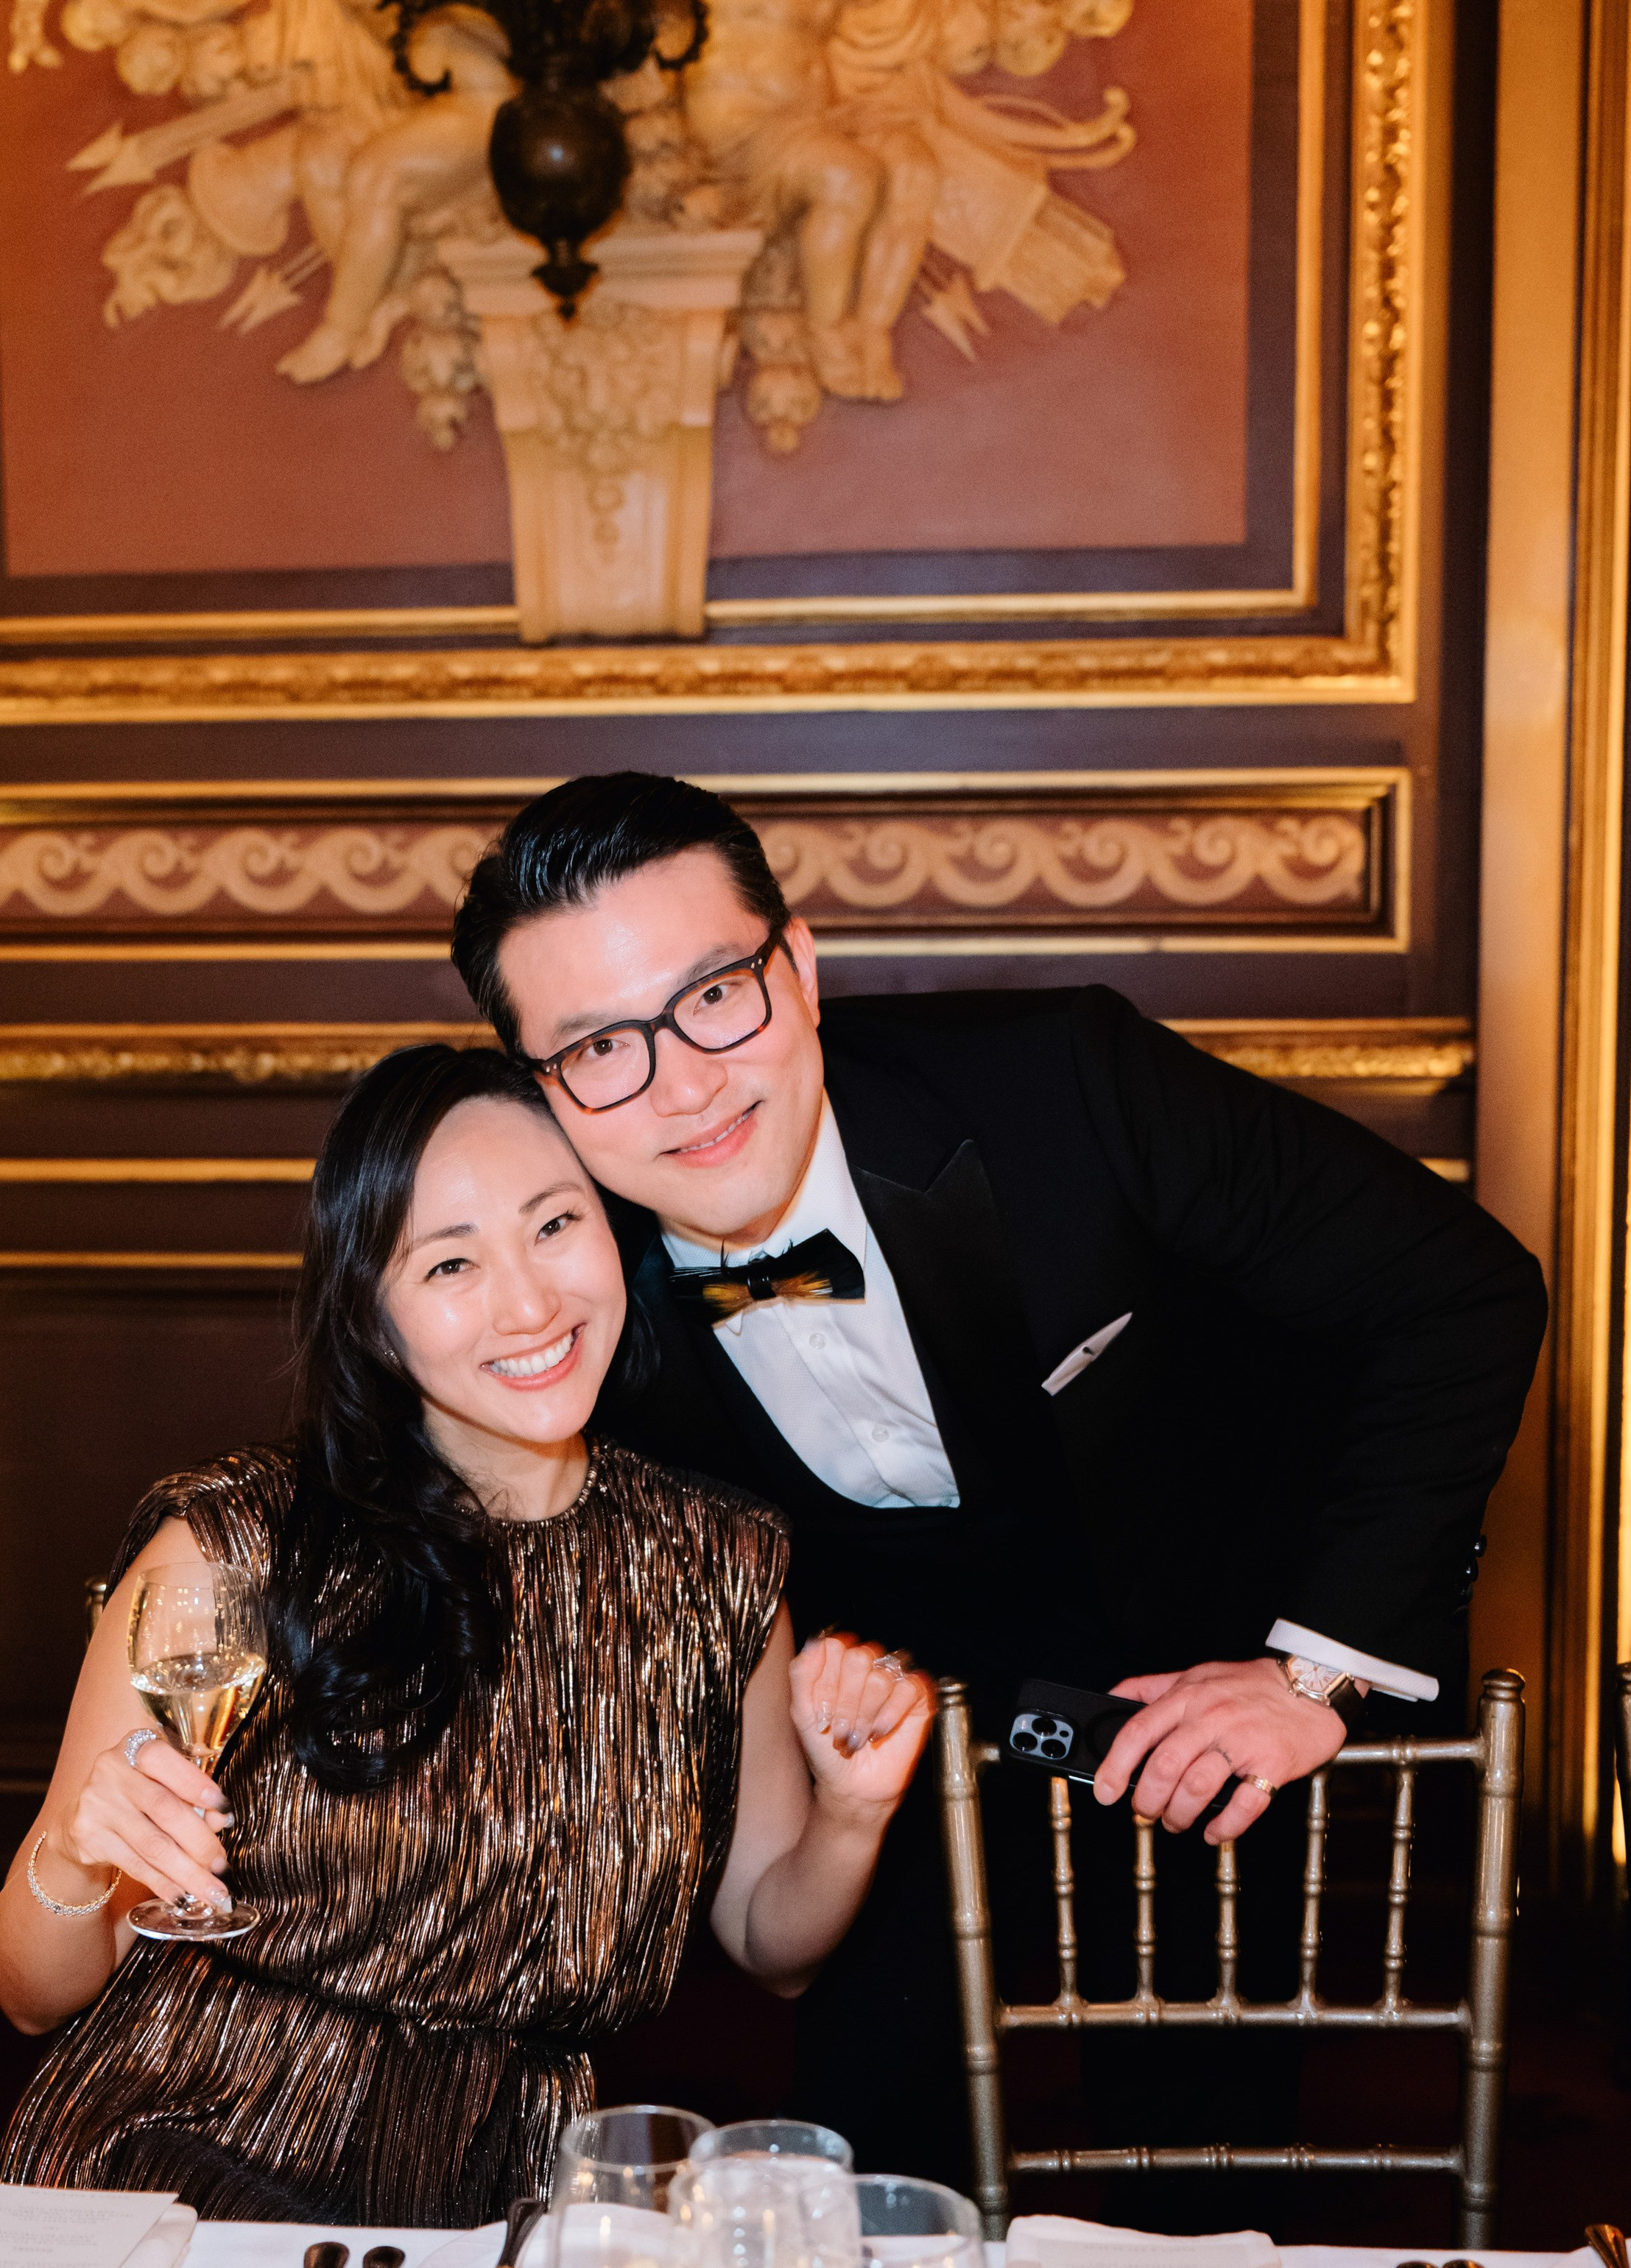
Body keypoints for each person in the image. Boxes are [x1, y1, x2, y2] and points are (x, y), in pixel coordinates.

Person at [448, 772, 1550, 2188]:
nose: (684, 1085)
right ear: (543, 1089)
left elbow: (1461, 1293)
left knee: (1207, 2197)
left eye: (716, 994)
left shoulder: (1065, 1086)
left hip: (1202, 1689)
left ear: (800, 966)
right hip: (904, 1737)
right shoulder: (565, 1269)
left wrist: (1310, 1675)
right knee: (852, 2183)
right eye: (600, 1046)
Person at [0, 1047, 931, 2225]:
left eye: (554, 1226)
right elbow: (30, 1996)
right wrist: (82, 1858)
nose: (530, 1303)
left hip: (502, 2209)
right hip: (187, 2169)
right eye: (449, 1262)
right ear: (376, 1322)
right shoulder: (236, 1548)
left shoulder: (721, 1562)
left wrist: (852, 1814)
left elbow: (770, 1940)